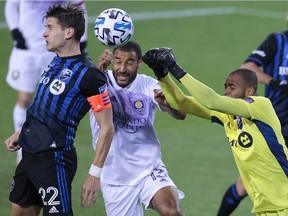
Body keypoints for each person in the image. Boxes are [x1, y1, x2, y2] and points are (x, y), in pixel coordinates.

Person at [142, 47, 288, 215]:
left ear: (249, 91)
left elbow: (212, 101)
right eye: (225, 86)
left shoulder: (261, 105)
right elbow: (180, 103)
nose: (226, 91)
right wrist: (162, 74)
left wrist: (175, 68)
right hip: (265, 208)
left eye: (232, 87)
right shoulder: (227, 116)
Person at [5, 4, 114, 216]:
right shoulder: (55, 62)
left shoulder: (90, 75)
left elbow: (107, 127)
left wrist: (94, 173)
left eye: (50, 27)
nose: (44, 33)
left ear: (69, 32)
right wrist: (22, 132)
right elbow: (42, 105)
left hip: (53, 160)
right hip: (29, 154)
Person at [90, 41, 186, 216]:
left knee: (172, 212)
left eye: (130, 62)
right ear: (112, 61)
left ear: (139, 63)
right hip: (115, 178)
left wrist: (169, 104)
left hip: (149, 168)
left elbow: (181, 114)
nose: (123, 68)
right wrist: (96, 73)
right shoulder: (98, 80)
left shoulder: (147, 85)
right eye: (118, 61)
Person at [5, 0, 88, 165]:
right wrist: (15, 30)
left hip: (53, 50)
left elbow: (79, 7)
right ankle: (21, 148)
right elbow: (11, 5)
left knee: (51, 101)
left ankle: (46, 148)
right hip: (26, 49)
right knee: (24, 99)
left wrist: (82, 41)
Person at [217, 28, 288, 215]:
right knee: (244, 185)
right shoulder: (277, 41)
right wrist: (276, 83)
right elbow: (248, 66)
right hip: (276, 126)